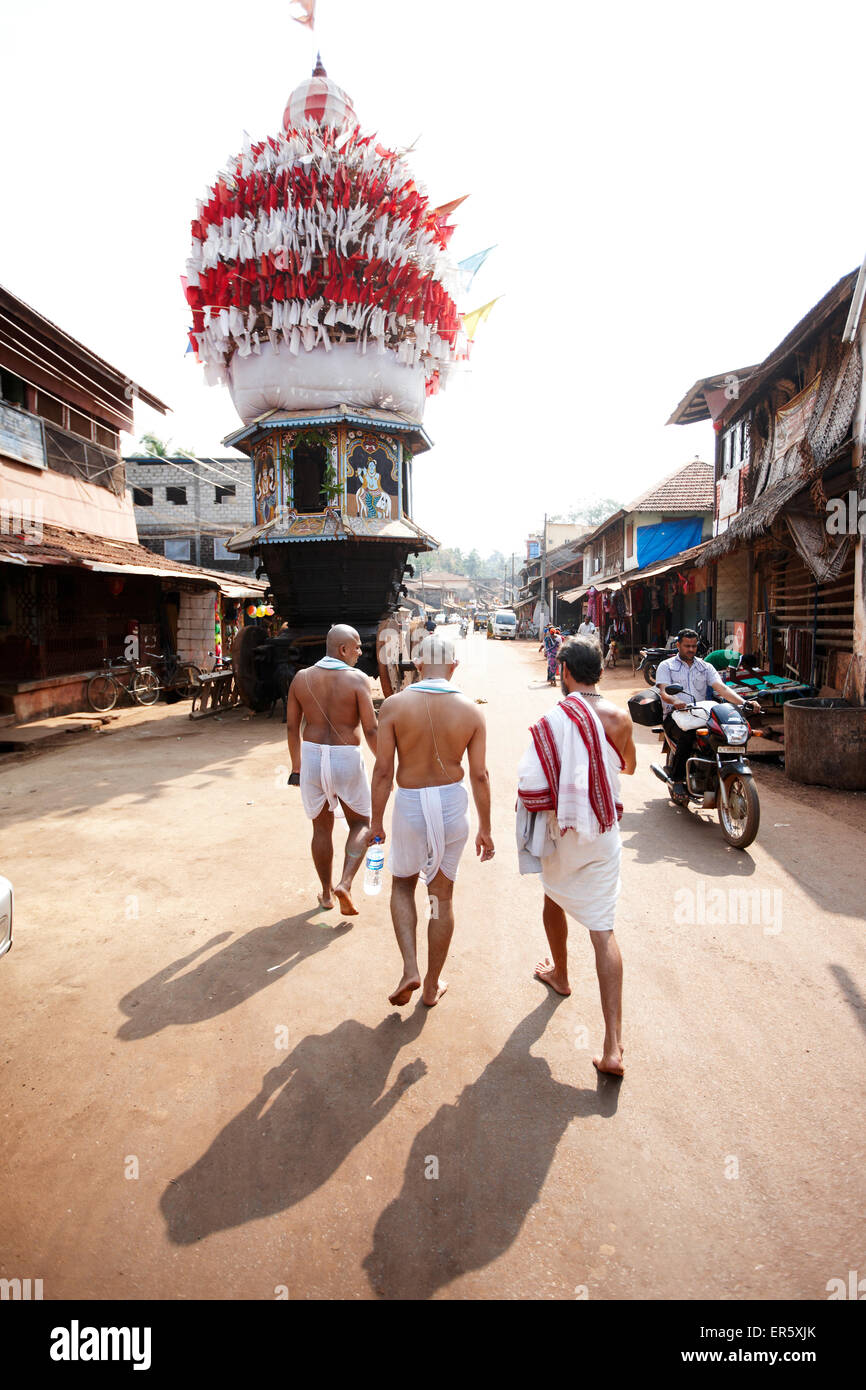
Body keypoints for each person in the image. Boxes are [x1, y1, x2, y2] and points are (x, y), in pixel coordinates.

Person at [517, 635, 636, 1076]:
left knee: (553, 895)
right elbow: (629, 766)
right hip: (602, 828)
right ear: (600, 673)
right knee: (602, 930)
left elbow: (531, 784)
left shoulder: (551, 719)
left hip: (563, 830)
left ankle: (561, 975)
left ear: (563, 671)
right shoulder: (619, 718)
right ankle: (612, 1046)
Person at [368, 634, 495, 1008]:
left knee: (403, 886)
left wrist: (376, 822)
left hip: (409, 803)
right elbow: (481, 775)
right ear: (454, 666)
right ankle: (431, 985)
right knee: (440, 897)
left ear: (418, 665)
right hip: (452, 805)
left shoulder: (393, 706)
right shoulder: (472, 711)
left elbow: (381, 772)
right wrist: (486, 828)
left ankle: (410, 968)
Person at [286, 624, 378, 915]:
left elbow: (292, 726)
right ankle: (345, 884)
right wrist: (385, 764)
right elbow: (371, 728)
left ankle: (326, 894)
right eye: (357, 647)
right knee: (362, 824)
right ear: (342, 650)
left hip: (312, 756)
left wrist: (296, 767)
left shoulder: (301, 678)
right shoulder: (358, 680)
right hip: (346, 757)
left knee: (320, 828)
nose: (360, 652)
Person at [656, 629, 759, 800]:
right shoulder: (666, 666)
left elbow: (722, 689)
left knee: (722, 733)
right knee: (688, 736)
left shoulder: (705, 666)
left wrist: (744, 703)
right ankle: (678, 780)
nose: (691, 649)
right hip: (675, 716)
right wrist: (675, 702)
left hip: (701, 715)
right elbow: (664, 692)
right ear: (678, 645)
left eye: (694, 646)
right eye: (687, 646)